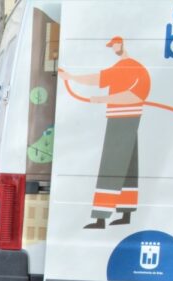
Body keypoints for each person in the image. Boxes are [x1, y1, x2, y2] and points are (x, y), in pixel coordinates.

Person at [59, 36, 150, 229]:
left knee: (111, 165)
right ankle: (125, 213)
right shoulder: (123, 67)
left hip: (122, 119)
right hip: (127, 118)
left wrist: (101, 99)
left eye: (114, 45)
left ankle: (101, 217)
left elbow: (133, 96)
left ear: (121, 45)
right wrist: (72, 78)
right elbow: (99, 78)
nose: (113, 49)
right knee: (129, 166)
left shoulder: (131, 68)